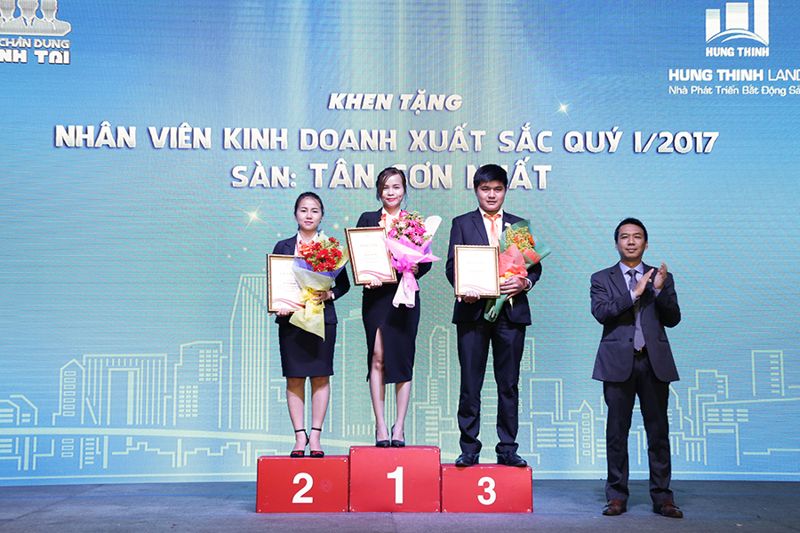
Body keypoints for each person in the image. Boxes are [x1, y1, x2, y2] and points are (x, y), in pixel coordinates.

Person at [445, 164, 542, 467]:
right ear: (476, 190)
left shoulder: (517, 226)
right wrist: (464, 287)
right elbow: (452, 266)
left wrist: (525, 283)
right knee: (470, 384)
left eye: (497, 189)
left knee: (508, 384)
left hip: (510, 314)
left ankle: (508, 448)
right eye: (485, 189)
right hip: (472, 312)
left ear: (505, 191)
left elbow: (534, 267)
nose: (491, 195)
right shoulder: (462, 223)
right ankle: (469, 448)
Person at [590, 217, 683, 518]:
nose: (631, 241)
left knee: (658, 432)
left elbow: (673, 318)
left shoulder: (662, 277)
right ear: (616, 243)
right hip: (618, 363)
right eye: (625, 237)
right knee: (617, 432)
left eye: (637, 236)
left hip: (653, 363)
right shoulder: (601, 278)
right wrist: (634, 293)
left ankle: (663, 497)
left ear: (646, 243)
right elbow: (601, 312)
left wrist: (659, 290)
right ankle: (617, 496)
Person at [357, 167, 432, 447]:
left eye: (396, 187)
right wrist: (366, 275)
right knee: (377, 356)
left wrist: (415, 267)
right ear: (379, 191)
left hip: (405, 295)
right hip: (376, 297)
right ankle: (380, 425)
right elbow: (359, 254)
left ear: (404, 190)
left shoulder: (413, 222)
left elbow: (424, 261)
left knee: (402, 358)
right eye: (386, 187)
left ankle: (399, 426)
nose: (391, 192)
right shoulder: (368, 219)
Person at [272, 192, 350, 458]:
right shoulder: (283, 246)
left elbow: (344, 285)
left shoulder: (330, 247)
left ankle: (315, 436)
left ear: (321, 215)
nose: (308, 215)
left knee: (320, 376)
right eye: (303, 210)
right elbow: (276, 282)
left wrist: (329, 294)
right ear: (295, 214)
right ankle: (299, 436)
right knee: (294, 377)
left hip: (322, 319)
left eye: (314, 210)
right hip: (291, 320)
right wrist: (279, 303)